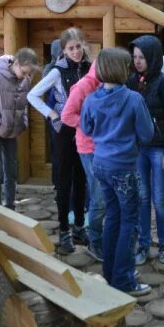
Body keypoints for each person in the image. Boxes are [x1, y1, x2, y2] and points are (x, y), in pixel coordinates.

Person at [80, 48, 154, 296]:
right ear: (123, 70)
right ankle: (123, 280)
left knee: (113, 217)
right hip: (124, 167)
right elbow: (147, 134)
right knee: (129, 222)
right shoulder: (133, 99)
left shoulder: (91, 98)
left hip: (100, 164)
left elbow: (86, 128)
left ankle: (111, 273)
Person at [28, 28, 91, 254]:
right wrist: (51, 114)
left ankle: (79, 227)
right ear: (63, 51)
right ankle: (64, 230)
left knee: (81, 178)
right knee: (64, 181)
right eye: (70, 48)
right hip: (64, 132)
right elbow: (32, 95)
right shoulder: (56, 72)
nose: (75, 52)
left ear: (83, 45)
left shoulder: (89, 67)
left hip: (85, 130)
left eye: (78, 46)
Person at [127, 36, 164, 265]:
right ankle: (144, 245)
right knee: (142, 198)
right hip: (139, 149)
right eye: (135, 56)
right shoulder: (131, 80)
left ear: (153, 57)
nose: (137, 61)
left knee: (159, 199)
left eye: (142, 57)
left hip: (158, 150)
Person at [0, 49, 40, 209]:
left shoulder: (25, 81)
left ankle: (10, 207)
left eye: (28, 74)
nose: (26, 76)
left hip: (11, 132)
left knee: (11, 171)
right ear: (16, 64)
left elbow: (23, 106)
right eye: (24, 72)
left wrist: (22, 123)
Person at [61, 60, 105, 262]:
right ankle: (95, 242)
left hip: (104, 146)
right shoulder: (83, 86)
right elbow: (67, 115)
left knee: (102, 194)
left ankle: (100, 237)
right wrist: (89, 124)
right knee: (98, 195)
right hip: (87, 147)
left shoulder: (106, 85)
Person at [43, 39, 62, 191]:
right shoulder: (50, 69)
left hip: (60, 114)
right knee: (57, 151)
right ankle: (57, 183)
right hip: (54, 114)